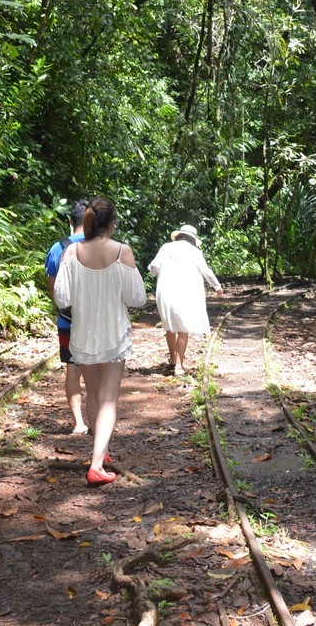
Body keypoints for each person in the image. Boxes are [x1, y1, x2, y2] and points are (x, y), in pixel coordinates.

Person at [52, 197, 147, 485]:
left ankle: (100, 450)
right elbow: (138, 299)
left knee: (93, 396)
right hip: (112, 336)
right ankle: (96, 465)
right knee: (108, 399)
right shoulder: (122, 251)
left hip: (82, 336)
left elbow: (62, 298)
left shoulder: (71, 253)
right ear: (112, 224)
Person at [148, 224, 223, 377]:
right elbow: (206, 272)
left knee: (169, 327)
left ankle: (172, 358)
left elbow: (154, 267)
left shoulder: (166, 247)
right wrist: (217, 287)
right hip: (185, 293)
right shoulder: (195, 252)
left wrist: (153, 272)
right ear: (192, 239)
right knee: (183, 329)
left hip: (165, 293)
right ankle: (179, 366)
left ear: (179, 236)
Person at [45, 199, 91, 435]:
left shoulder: (58, 247)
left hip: (67, 319)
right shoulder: (99, 245)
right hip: (94, 319)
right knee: (96, 366)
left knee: (72, 367)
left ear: (70, 221)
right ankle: (97, 420)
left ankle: (79, 422)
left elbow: (53, 287)